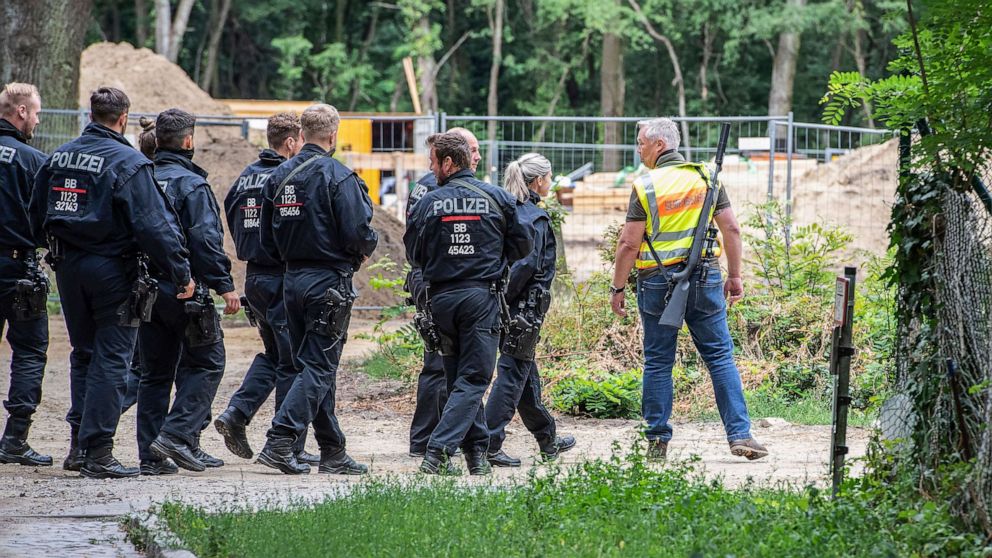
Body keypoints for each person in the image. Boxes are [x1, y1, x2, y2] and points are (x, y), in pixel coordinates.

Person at [30, 87, 194, 478]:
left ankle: (78, 446)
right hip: (112, 271)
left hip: (67, 267)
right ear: (123, 119)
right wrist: (180, 273)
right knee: (113, 358)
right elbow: (155, 226)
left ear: (91, 114)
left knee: (83, 353)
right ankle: (99, 452)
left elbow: (36, 212)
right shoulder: (129, 162)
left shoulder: (59, 157)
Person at [609, 117, 767, 462]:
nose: (639, 149)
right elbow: (732, 229)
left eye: (641, 143)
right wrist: (735, 275)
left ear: (659, 145)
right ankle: (740, 434)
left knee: (658, 361)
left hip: (655, 281)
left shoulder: (646, 186)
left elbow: (627, 244)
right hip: (706, 277)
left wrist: (617, 287)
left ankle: (656, 442)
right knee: (720, 356)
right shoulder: (706, 178)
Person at [256, 104, 377, 475]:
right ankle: (280, 439)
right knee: (320, 366)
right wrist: (361, 251)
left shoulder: (277, 178)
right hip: (328, 283)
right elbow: (359, 233)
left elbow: (266, 238)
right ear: (334, 136)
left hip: (290, 281)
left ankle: (332, 450)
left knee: (308, 364)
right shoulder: (338, 176)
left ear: (303, 133)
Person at [404, 132, 532, 475]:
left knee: (457, 378)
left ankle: (477, 454)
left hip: (441, 300)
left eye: (433, 162)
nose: (430, 169)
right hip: (481, 299)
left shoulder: (427, 203)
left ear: (448, 162)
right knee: (474, 379)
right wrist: (488, 259)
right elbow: (523, 247)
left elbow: (414, 254)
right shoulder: (497, 197)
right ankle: (437, 451)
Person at [136, 108, 240, 475]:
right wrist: (225, 286)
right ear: (188, 141)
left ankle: (152, 456)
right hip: (186, 289)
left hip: (144, 290)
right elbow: (205, 242)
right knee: (208, 361)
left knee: (155, 373)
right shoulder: (192, 184)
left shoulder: (141, 178)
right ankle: (177, 434)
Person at [214, 112, 319, 466]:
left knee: (275, 355)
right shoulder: (285, 176)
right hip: (280, 277)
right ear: (291, 142)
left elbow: (230, 213)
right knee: (294, 363)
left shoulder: (245, 177)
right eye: (301, 141)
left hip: (254, 278)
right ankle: (288, 446)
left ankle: (237, 413)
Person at [484, 153, 575, 467]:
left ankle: (547, 439)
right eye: (549, 177)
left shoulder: (508, 211)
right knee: (512, 374)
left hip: (504, 305)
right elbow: (524, 267)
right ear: (538, 181)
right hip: (522, 309)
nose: (550, 182)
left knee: (525, 373)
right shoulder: (534, 218)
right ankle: (489, 443)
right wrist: (507, 302)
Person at [406, 126, 481, 458]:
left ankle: (448, 438)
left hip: (439, 281)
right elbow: (417, 245)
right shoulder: (432, 189)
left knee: (446, 364)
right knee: (438, 363)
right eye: (473, 150)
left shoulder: (439, 187)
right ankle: (426, 440)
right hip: (435, 280)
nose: (477, 157)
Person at [0, 83, 51, 466]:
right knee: (30, 350)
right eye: (34, 113)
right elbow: (48, 219)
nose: (35, 120)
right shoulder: (33, 160)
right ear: (20, 112)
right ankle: (15, 438)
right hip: (17, 266)